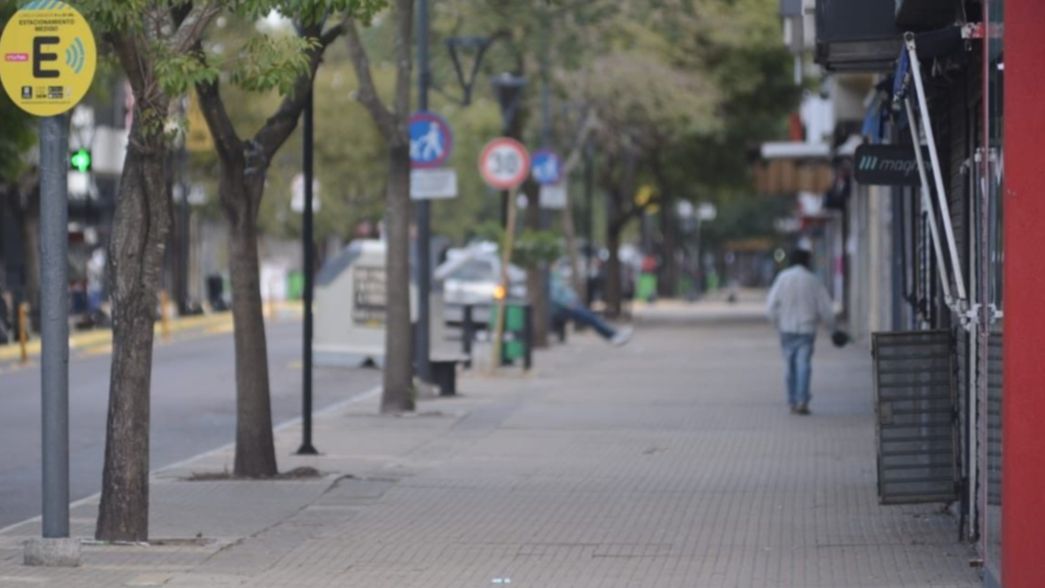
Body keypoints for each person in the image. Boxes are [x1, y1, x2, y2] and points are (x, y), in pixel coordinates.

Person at [766, 249, 837, 415]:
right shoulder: (813, 280)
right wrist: (832, 328)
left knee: (789, 366)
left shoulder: (782, 278)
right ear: (807, 261)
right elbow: (826, 308)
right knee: (804, 364)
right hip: (807, 329)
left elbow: (770, 307)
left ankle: (792, 401)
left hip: (786, 329)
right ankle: (802, 401)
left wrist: (777, 322)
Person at [551, 273, 632, 346]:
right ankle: (613, 335)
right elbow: (554, 296)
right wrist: (567, 304)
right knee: (590, 317)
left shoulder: (552, 275)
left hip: (570, 305)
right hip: (565, 308)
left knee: (590, 316)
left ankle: (614, 334)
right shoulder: (548, 277)